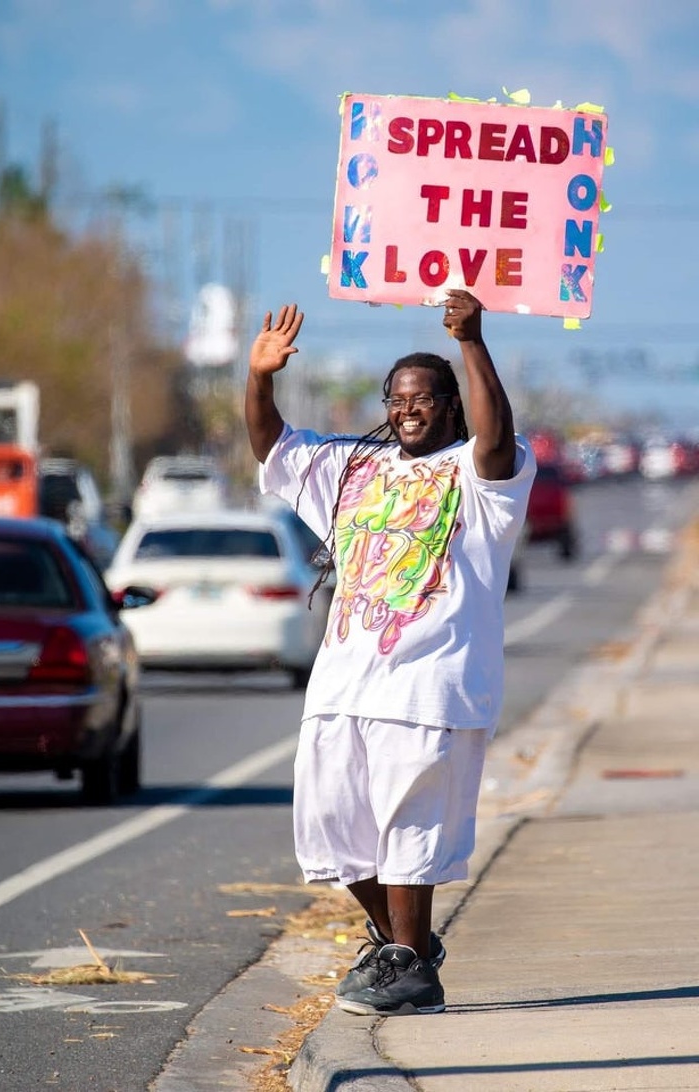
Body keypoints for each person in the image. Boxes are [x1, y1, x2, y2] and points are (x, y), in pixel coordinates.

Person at [245, 289, 536, 1016]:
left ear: (452, 406)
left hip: (431, 684)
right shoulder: (352, 467)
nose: (409, 410)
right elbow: (273, 447)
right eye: (398, 399)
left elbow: (497, 439)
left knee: (410, 828)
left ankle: (410, 969)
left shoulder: (481, 473)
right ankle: (405, 946)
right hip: (344, 684)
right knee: (330, 827)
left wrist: (471, 341)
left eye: (425, 399)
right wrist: (259, 378)